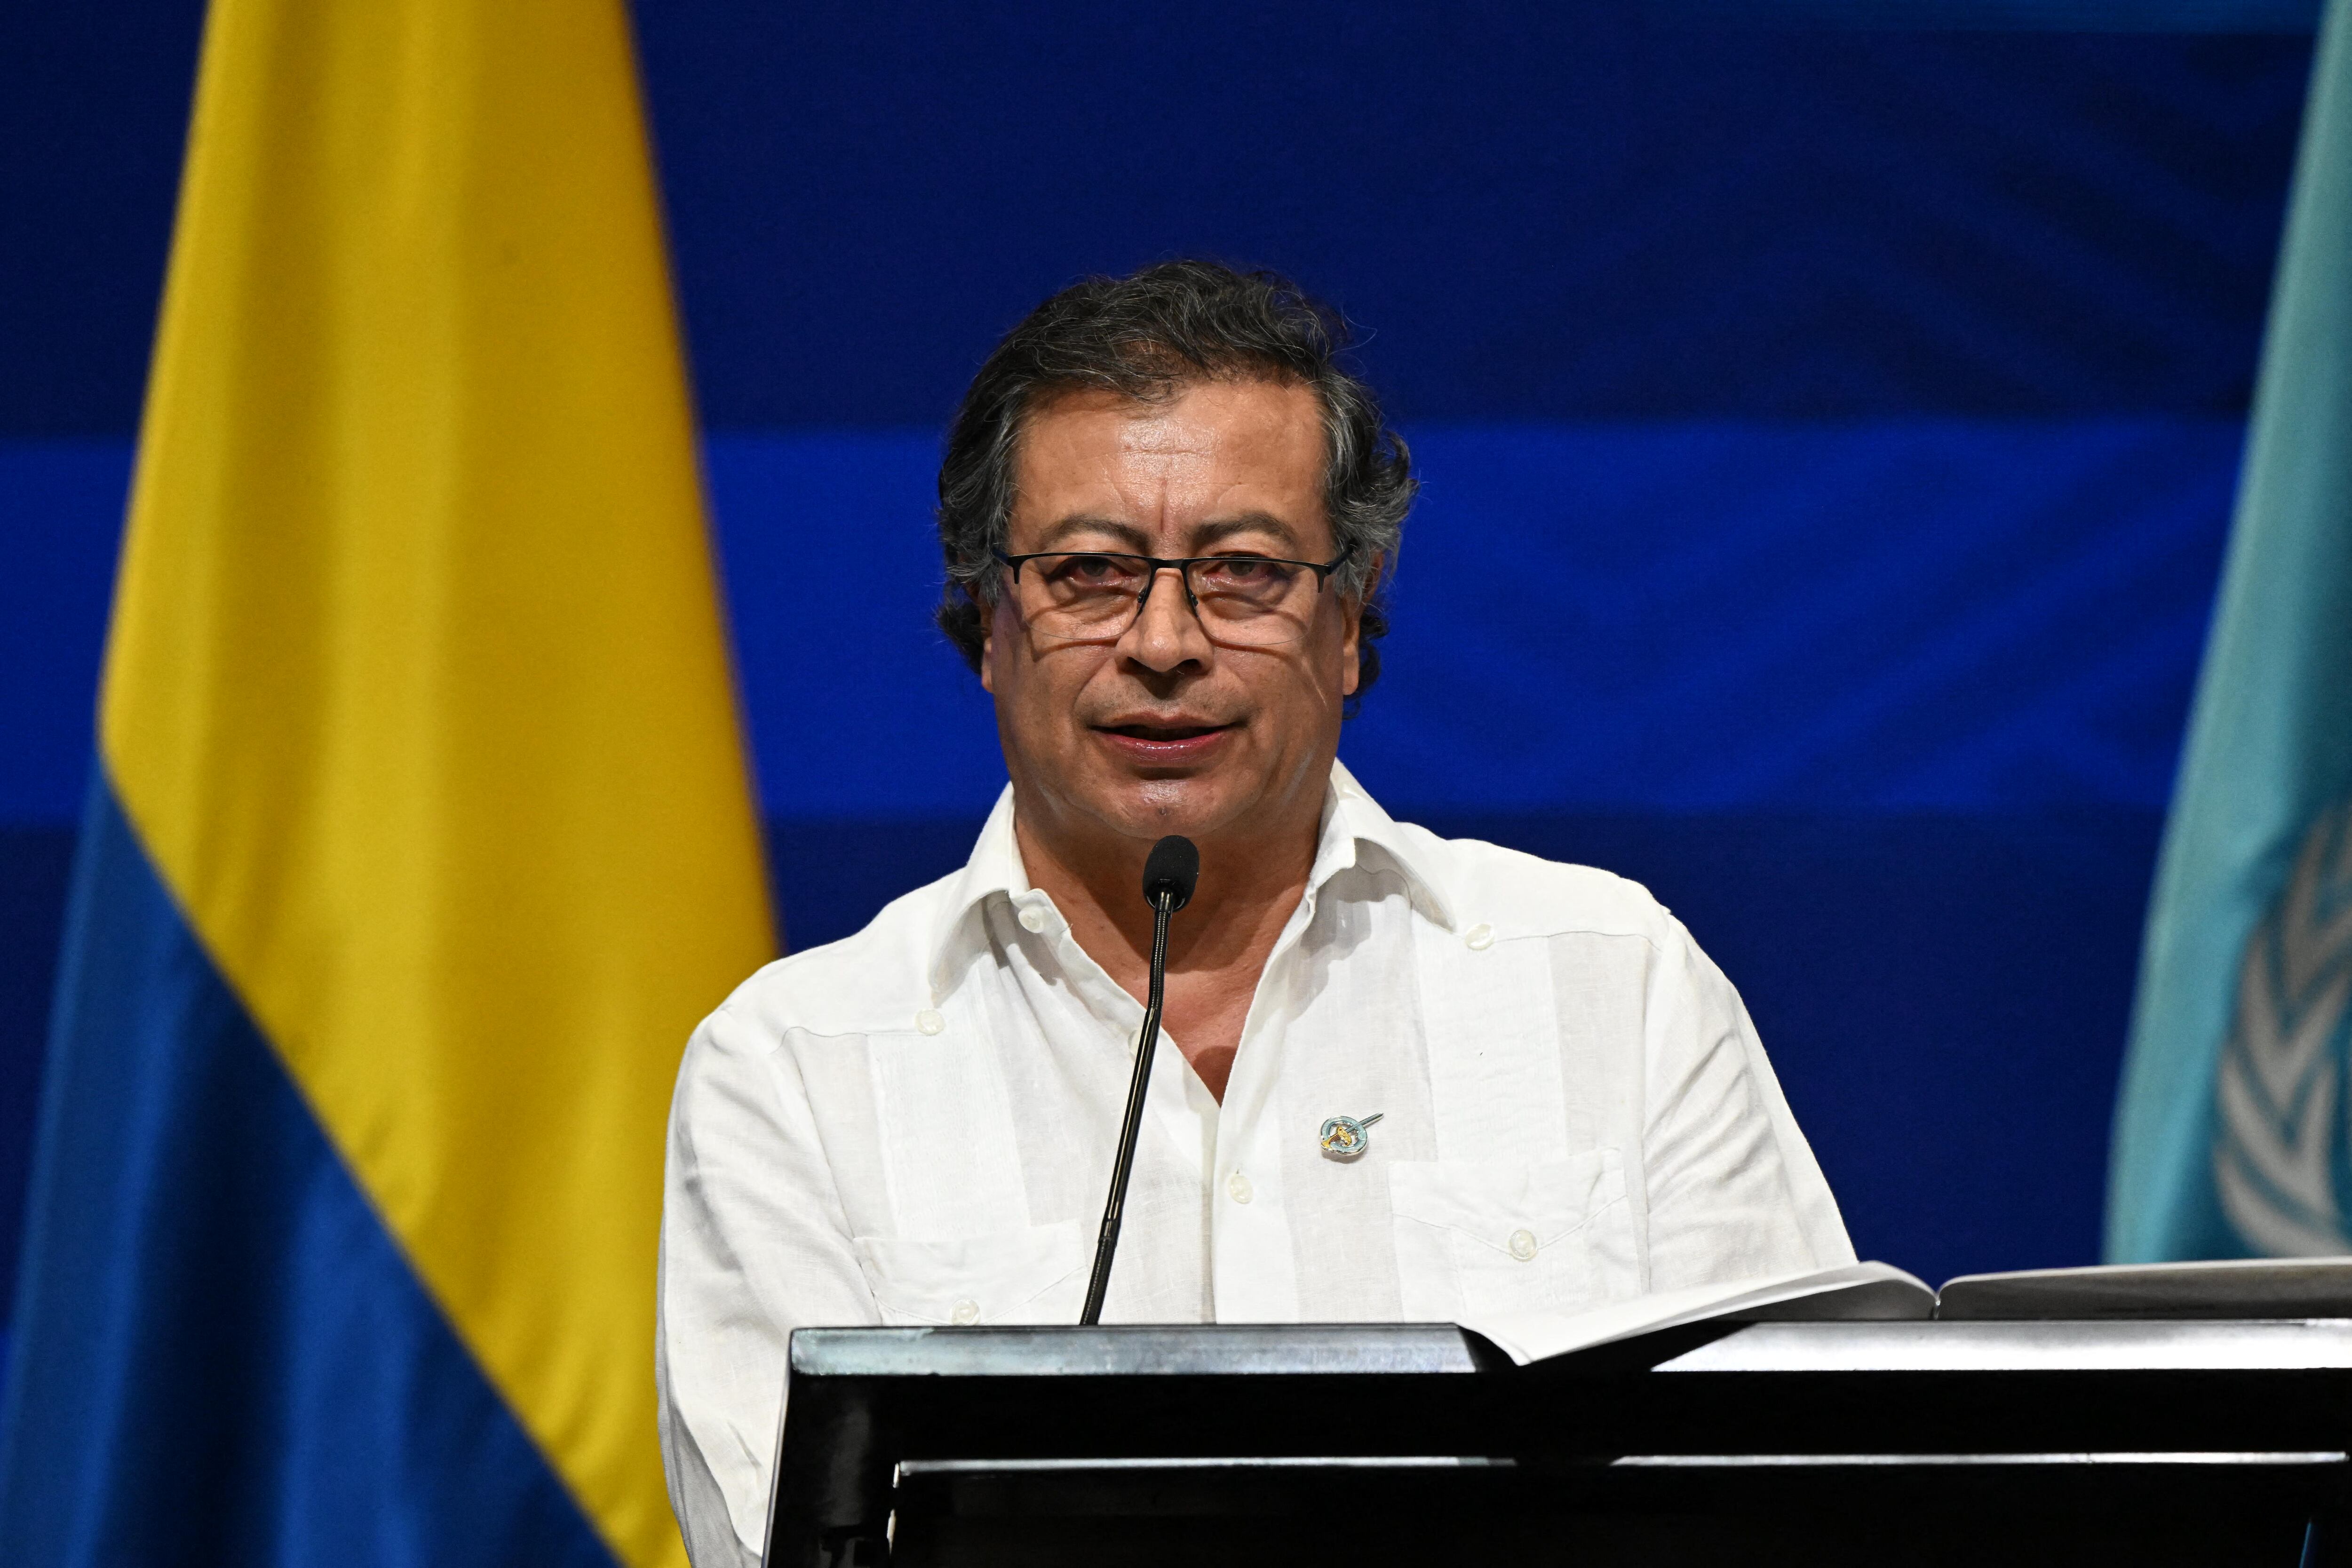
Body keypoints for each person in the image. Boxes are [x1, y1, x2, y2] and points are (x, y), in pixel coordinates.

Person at [655, 260, 1853, 1565]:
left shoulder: (1613, 988)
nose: (1165, 640)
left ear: (1350, 618)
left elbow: (1804, 1498)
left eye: (1241, 571)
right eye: (1090, 573)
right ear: (988, 621)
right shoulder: (796, 1070)